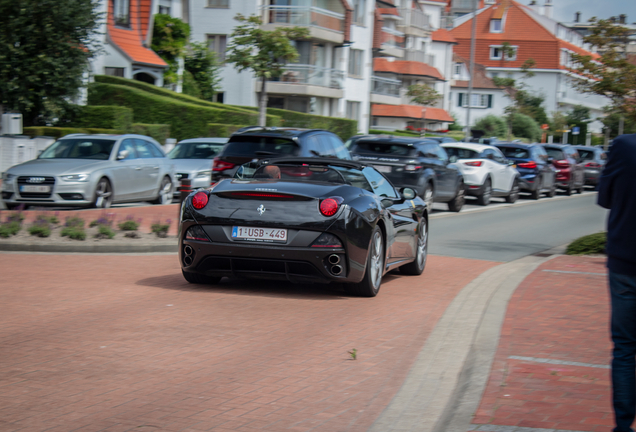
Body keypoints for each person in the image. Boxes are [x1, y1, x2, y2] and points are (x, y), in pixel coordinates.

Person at [598, 133, 636, 432]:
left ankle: (623, 427)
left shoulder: (624, 146)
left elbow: (604, 198)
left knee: (624, 347)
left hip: (626, 260)